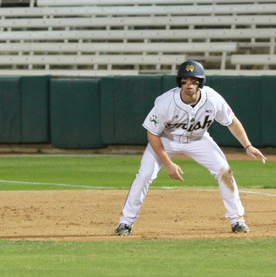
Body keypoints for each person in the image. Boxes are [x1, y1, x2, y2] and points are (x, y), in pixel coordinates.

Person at [114, 59, 267, 236]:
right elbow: (152, 134)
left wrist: (247, 145)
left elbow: (231, 121)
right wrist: (168, 163)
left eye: (194, 81)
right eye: (185, 81)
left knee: (224, 171)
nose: (189, 85)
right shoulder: (165, 102)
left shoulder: (212, 99)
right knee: (144, 175)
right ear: (179, 82)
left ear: (200, 83)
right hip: (166, 140)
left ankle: (237, 220)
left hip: (198, 139)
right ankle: (125, 222)